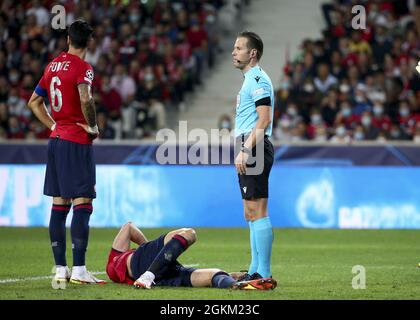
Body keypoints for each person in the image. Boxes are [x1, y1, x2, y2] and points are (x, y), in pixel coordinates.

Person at [27, 20, 104, 285]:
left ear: (68, 39)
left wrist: (53, 125)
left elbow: (34, 102)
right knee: (83, 204)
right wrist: (92, 126)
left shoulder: (51, 66)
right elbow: (85, 98)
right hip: (76, 141)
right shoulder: (84, 68)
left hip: (56, 141)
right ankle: (80, 270)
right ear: (89, 42)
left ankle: (61, 269)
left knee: (59, 205)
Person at [106, 222, 277, 290]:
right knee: (189, 233)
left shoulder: (116, 266)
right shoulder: (117, 257)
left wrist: (160, 258)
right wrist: (148, 247)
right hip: (145, 264)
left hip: (156, 275)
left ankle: (238, 284)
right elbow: (128, 227)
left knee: (213, 275)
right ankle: (149, 274)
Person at [231, 31, 275, 281]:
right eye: (234, 48)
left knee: (258, 210)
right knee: (250, 212)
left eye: (239, 48)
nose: (234, 52)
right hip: (251, 144)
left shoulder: (257, 79)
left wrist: (246, 149)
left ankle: (264, 274)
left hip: (255, 146)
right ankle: (254, 270)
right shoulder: (250, 79)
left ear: (253, 53)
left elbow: (264, 118)